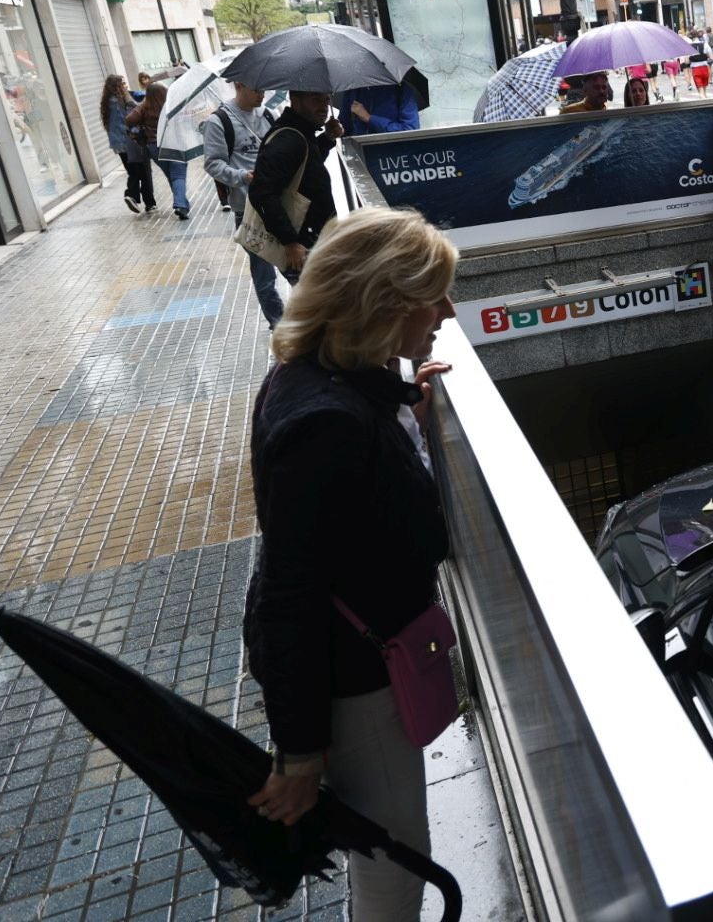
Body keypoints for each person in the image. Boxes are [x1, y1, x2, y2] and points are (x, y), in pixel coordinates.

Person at [245, 206, 457, 921]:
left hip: (354, 664)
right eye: (434, 296)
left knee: (390, 852)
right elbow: (290, 591)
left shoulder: (309, 379)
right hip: (356, 684)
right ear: (384, 304)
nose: (448, 311)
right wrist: (300, 751)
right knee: (396, 861)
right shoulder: (324, 425)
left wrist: (409, 417)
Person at [204, 81, 286, 327]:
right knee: (264, 275)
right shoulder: (219, 121)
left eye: (263, 89)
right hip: (248, 210)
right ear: (239, 85)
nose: (262, 93)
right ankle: (279, 325)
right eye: (257, 88)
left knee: (298, 268)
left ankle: (307, 324)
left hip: (279, 204)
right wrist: (242, 175)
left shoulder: (270, 115)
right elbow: (212, 163)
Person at [249, 91, 345, 277]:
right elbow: (261, 192)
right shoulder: (288, 139)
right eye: (316, 99)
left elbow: (306, 168)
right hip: (303, 248)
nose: (324, 106)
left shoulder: (301, 130)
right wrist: (290, 242)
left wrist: (327, 138)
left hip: (314, 240)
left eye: (326, 99)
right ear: (295, 100)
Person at [126, 83, 192, 219]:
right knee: (178, 175)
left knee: (171, 175)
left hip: (154, 147)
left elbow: (129, 119)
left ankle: (182, 205)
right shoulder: (172, 104)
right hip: (175, 143)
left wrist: (144, 104)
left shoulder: (145, 107)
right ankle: (180, 204)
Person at [100, 74, 153, 214]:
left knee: (133, 172)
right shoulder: (120, 101)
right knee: (142, 172)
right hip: (130, 142)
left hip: (120, 144)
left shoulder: (108, 101)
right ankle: (134, 196)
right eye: (122, 83)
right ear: (116, 86)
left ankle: (134, 197)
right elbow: (131, 116)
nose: (126, 85)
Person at [338, 85, 420, 136]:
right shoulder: (352, 90)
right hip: (357, 158)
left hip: (392, 157)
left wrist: (370, 119)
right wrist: (333, 131)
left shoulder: (401, 89)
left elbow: (410, 131)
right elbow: (344, 131)